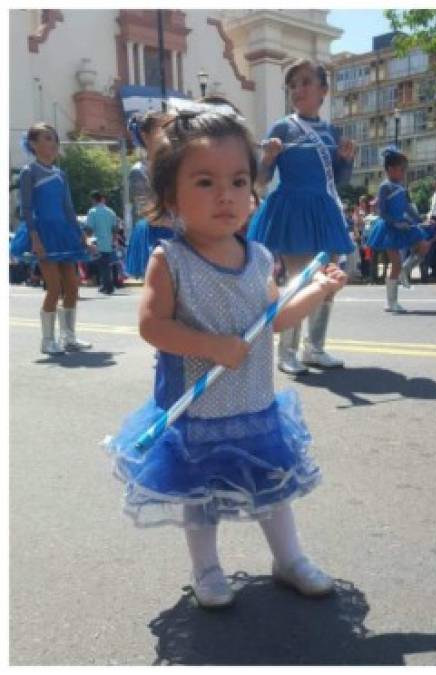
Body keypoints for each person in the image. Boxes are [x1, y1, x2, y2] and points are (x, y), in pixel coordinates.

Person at [103, 110, 348, 608]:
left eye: (238, 180)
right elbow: (153, 326)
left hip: (255, 405)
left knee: (271, 491)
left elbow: (274, 319)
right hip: (198, 413)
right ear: (171, 197)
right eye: (206, 181)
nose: (226, 195)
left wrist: (318, 291)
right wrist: (213, 346)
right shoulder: (169, 260)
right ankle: (207, 570)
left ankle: (289, 558)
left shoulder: (258, 255)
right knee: (201, 499)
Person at [247, 58, 355, 374]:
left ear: (323, 90)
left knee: (330, 281)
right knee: (301, 280)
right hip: (293, 211)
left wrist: (346, 161)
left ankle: (315, 348)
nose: (298, 89)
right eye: (293, 84)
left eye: (306, 82)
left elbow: (340, 181)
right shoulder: (283, 127)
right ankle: (287, 352)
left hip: (323, 211)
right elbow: (261, 181)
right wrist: (267, 158)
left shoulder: (333, 132)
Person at [13, 122, 94, 354]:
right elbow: (26, 208)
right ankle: (47, 340)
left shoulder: (61, 174)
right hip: (43, 233)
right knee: (54, 287)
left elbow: (68, 208)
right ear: (33, 144)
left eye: (54, 139)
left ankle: (69, 336)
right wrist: (35, 238)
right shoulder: (29, 172)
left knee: (72, 286)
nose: (53, 143)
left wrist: (81, 236)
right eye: (47, 138)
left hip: (64, 233)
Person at [366, 147, 431, 312]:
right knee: (395, 263)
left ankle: (406, 270)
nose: (403, 172)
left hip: (403, 224)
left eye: (404, 169)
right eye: (401, 169)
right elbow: (381, 211)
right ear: (390, 169)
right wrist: (394, 222)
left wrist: (421, 220)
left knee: (424, 245)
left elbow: (407, 207)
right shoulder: (385, 187)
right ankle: (391, 302)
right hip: (389, 228)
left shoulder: (401, 186)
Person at [124, 111, 175, 279]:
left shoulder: (175, 166)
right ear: (145, 136)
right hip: (156, 234)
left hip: (177, 229)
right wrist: (183, 226)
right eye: (161, 129)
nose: (168, 134)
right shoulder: (139, 171)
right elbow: (147, 210)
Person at [84, 190, 119, 295]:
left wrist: (86, 239)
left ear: (94, 199)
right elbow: (114, 228)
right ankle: (105, 285)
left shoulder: (92, 211)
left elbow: (89, 229)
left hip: (97, 242)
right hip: (108, 242)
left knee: (103, 265)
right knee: (105, 264)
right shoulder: (110, 211)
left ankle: (108, 286)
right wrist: (114, 240)